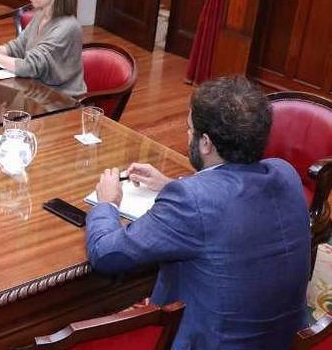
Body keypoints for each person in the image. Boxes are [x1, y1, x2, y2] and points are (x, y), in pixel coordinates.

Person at [86, 76, 310, 350]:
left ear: (206, 143)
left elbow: (106, 254)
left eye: (189, 129)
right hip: (284, 340)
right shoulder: (284, 172)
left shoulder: (193, 201)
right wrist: (170, 185)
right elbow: (232, 205)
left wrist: (106, 203)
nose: (187, 135)